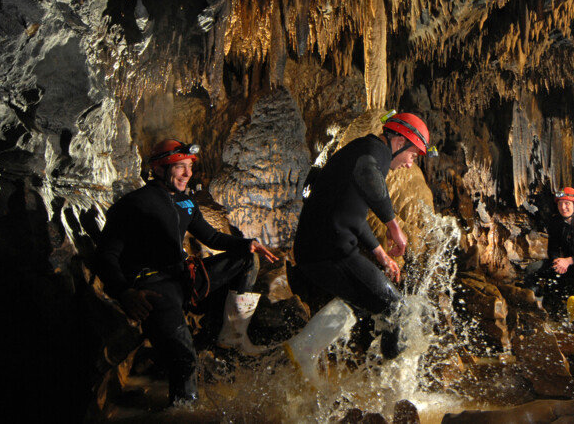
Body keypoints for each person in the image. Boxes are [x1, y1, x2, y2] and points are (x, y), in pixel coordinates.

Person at [95, 139, 279, 405]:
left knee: (247, 260)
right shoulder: (135, 205)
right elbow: (106, 255)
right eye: (179, 168)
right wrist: (125, 293)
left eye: (189, 167)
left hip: (184, 277)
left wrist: (247, 243)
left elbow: (212, 238)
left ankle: (228, 335)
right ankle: (183, 410)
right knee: (184, 360)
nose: (187, 174)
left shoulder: (186, 202)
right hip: (154, 286)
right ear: (158, 169)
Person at [284, 111, 437, 382]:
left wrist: (380, 254)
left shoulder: (361, 149)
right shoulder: (374, 151)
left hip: (320, 249)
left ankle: (305, 347)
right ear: (400, 142)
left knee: (364, 301)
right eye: (413, 156)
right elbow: (367, 172)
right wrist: (394, 227)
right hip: (330, 251)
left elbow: (352, 215)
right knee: (397, 308)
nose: (410, 164)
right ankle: (395, 386)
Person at [524, 187, 574, 321]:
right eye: (560, 203)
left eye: (567, 203)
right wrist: (557, 261)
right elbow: (553, 249)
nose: (563, 207)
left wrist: (569, 260)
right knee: (531, 269)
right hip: (568, 266)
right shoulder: (556, 223)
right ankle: (537, 302)